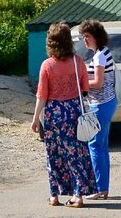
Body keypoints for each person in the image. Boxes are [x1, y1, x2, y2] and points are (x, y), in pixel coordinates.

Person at [31, 21, 95, 207]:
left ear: (51, 42)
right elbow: (85, 88)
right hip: (74, 112)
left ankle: (54, 195)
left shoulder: (47, 65)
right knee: (76, 153)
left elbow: (42, 96)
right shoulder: (78, 62)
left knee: (54, 154)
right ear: (69, 41)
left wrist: (35, 120)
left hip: (53, 114)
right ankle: (78, 195)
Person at [79, 20, 117, 201]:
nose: (84, 40)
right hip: (106, 103)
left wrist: (81, 84)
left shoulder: (100, 56)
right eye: (83, 37)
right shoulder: (102, 53)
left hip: (101, 104)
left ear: (96, 37)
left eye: (87, 36)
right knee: (101, 146)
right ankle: (103, 188)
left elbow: (98, 82)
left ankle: (99, 188)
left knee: (94, 145)